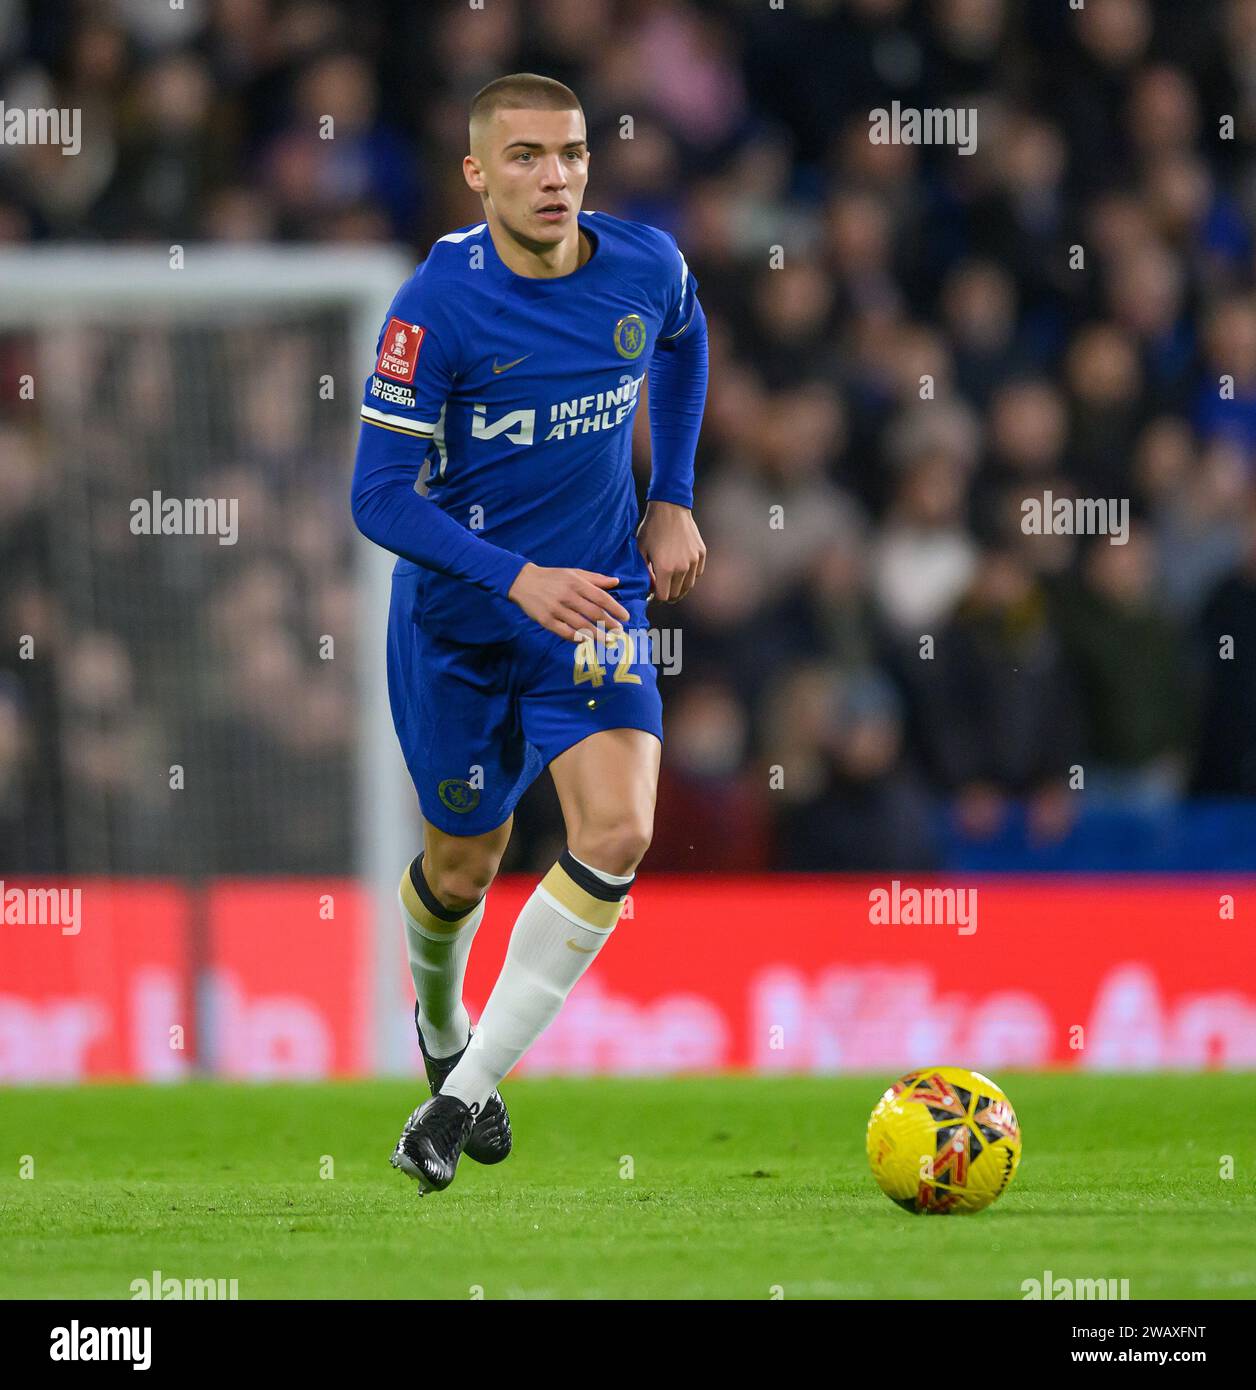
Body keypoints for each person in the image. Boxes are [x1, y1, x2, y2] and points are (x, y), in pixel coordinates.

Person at [350, 73, 708, 1193]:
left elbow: (686, 343)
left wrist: (672, 491)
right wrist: (514, 578)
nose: (553, 177)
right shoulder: (433, 307)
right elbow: (377, 498)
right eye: (524, 158)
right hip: (461, 624)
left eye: (569, 153)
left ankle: (450, 1109)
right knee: (462, 865)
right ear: (475, 174)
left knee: (615, 834)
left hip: (595, 605)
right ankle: (442, 1021)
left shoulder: (643, 264)